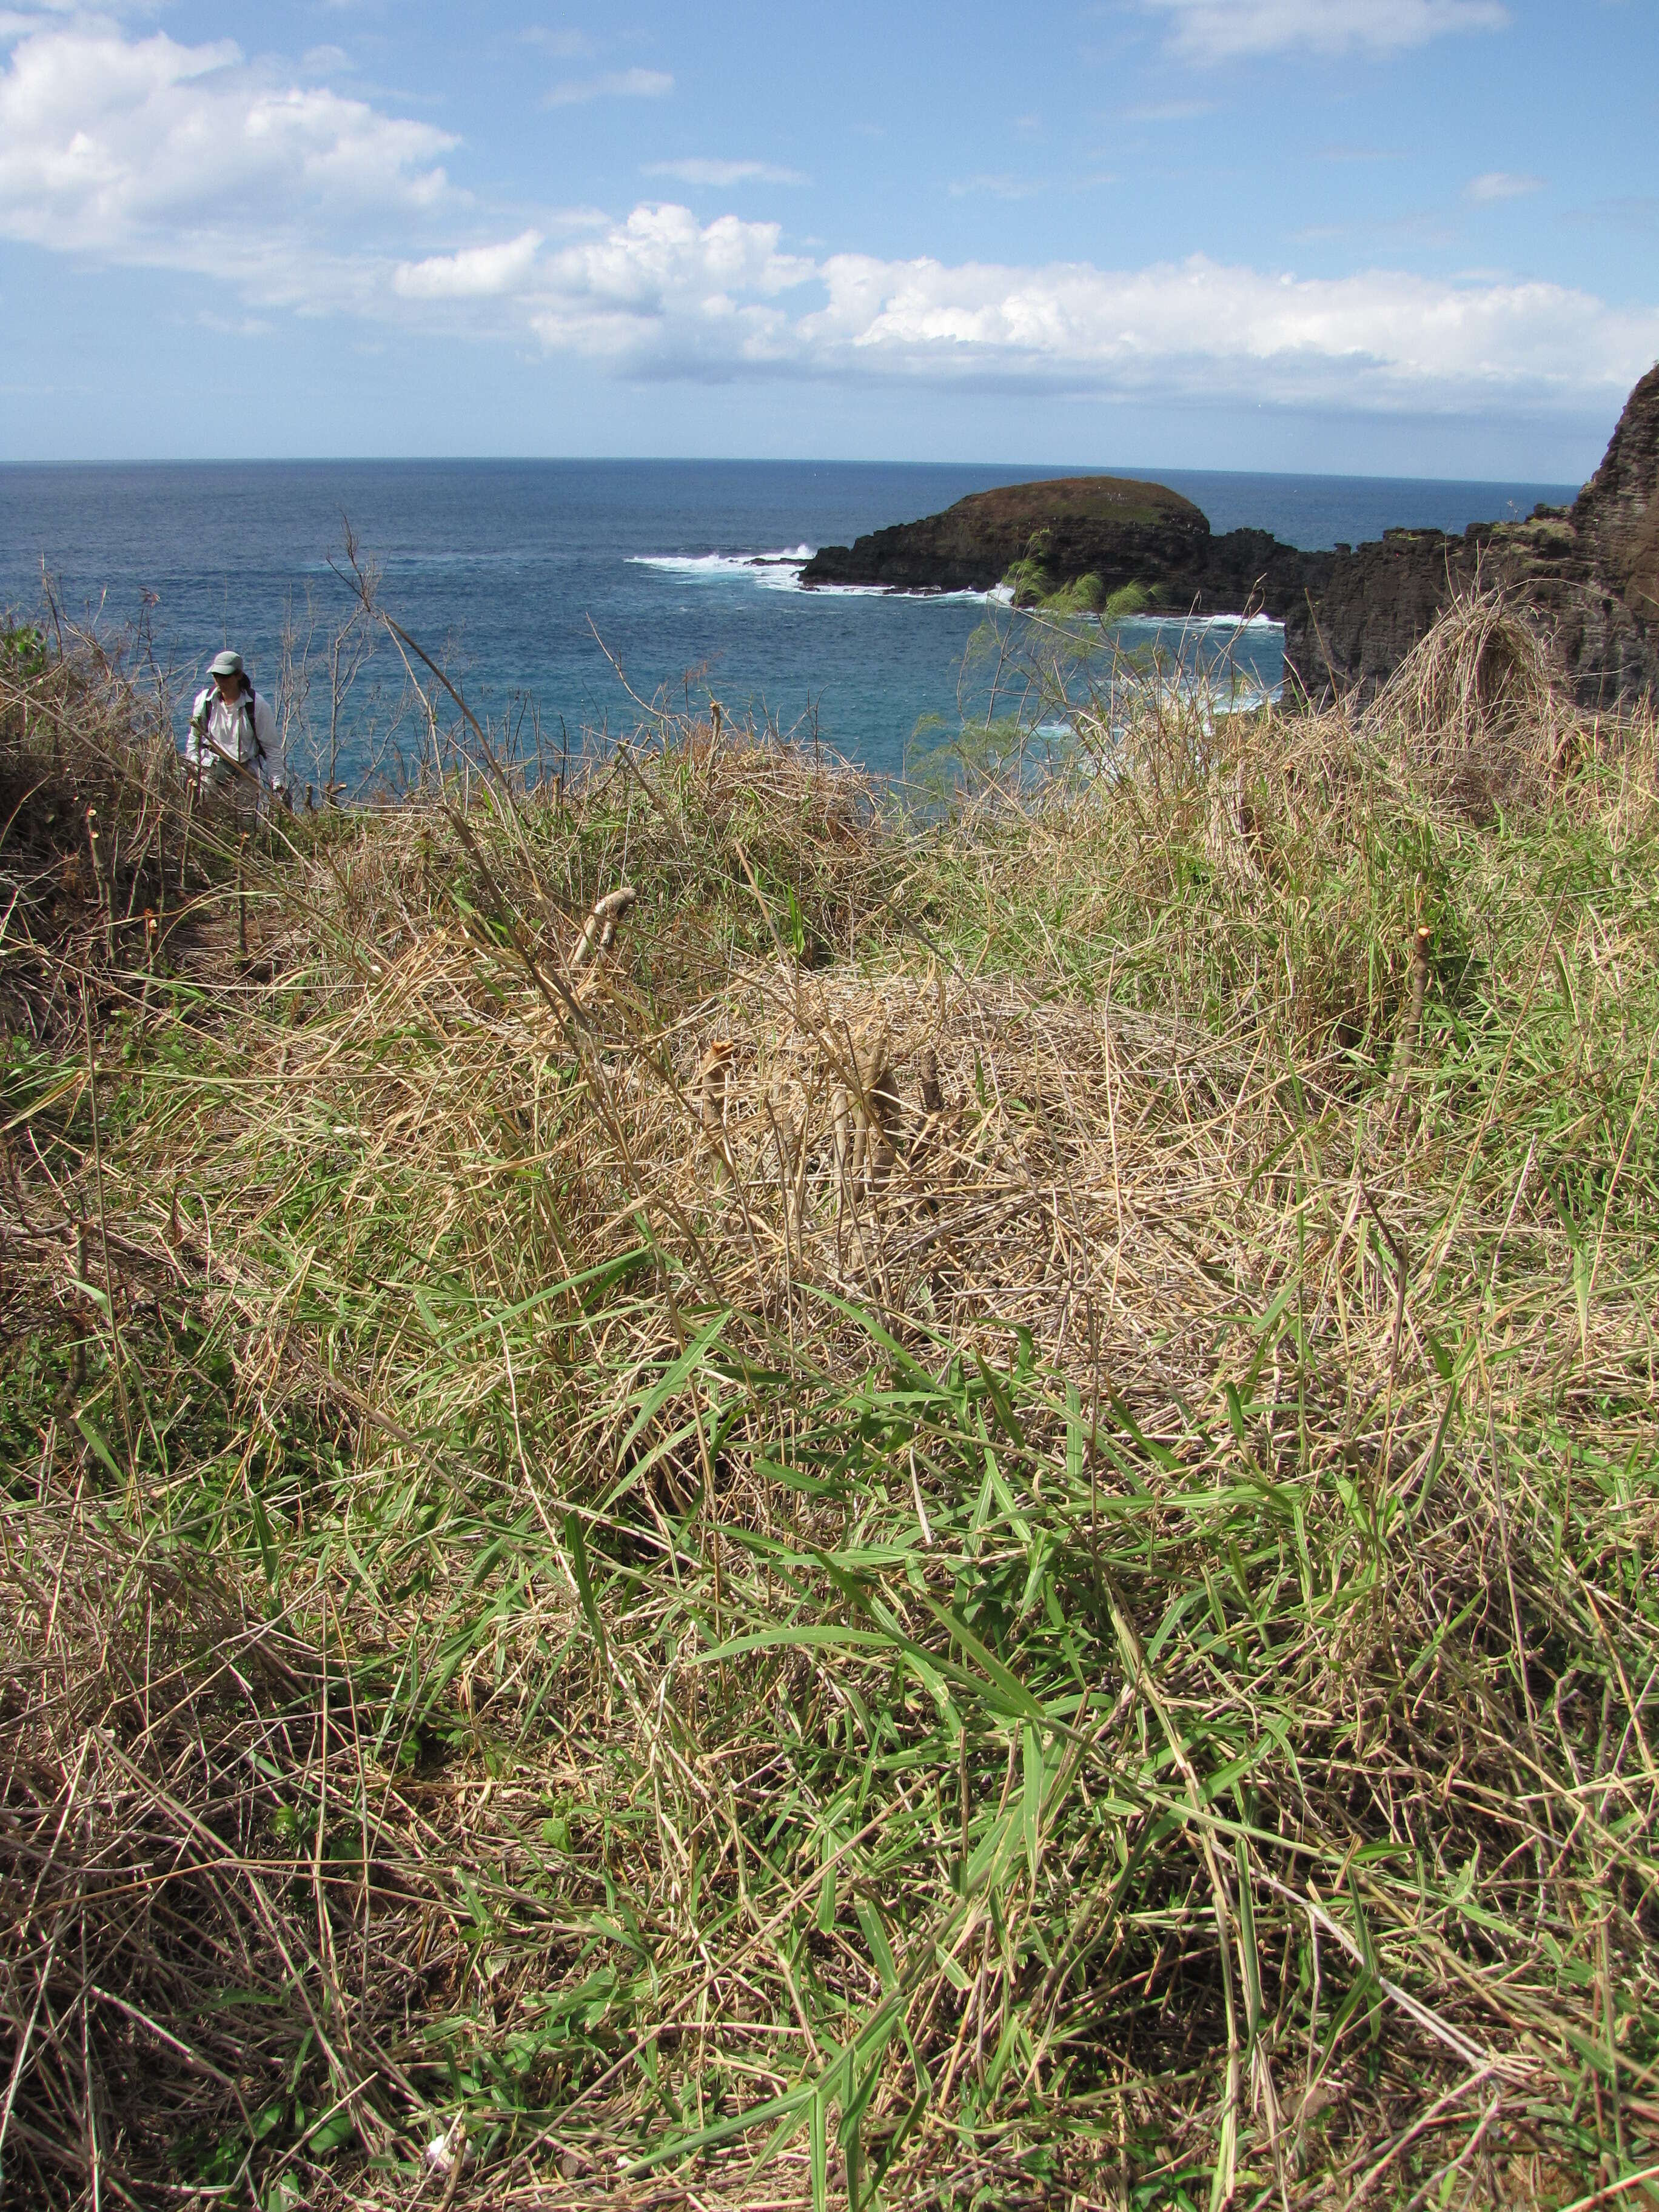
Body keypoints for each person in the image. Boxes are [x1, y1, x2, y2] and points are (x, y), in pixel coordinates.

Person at [185, 649, 287, 809]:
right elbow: (194, 739)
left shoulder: (256, 706)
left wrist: (278, 785)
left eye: (225, 676)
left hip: (245, 777)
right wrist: (194, 768)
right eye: (216, 675)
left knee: (245, 826)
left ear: (239, 675)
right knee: (211, 820)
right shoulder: (205, 702)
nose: (219, 680)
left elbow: (271, 748)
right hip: (210, 772)